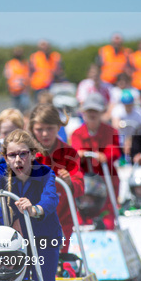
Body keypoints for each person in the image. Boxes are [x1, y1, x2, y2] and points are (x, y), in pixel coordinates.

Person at [0, 130, 63, 281]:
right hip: (13, 241)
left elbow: (51, 199)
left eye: (23, 154)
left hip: (44, 238)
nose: (18, 160)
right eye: (12, 155)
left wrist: (34, 209)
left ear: (32, 154)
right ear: (5, 158)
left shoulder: (44, 172)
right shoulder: (1, 172)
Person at [28, 104, 85, 246]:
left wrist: (69, 181)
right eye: (39, 129)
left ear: (59, 127)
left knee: (58, 262)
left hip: (62, 219)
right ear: (32, 129)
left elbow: (80, 186)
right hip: (33, 218)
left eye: (50, 128)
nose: (45, 134)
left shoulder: (69, 153)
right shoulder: (27, 153)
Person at [70, 93, 121, 229]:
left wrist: (105, 156)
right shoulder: (77, 133)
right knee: (83, 208)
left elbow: (115, 150)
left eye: (95, 111)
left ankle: (107, 229)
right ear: (83, 113)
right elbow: (75, 150)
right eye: (89, 111)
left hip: (106, 178)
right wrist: (80, 154)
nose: (92, 114)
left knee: (107, 213)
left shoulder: (111, 131)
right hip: (86, 181)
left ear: (102, 112)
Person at [111, 90, 141, 162]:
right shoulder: (118, 110)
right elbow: (115, 125)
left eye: (130, 104)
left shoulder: (139, 112)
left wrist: (130, 140)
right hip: (121, 139)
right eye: (126, 105)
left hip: (134, 139)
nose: (128, 107)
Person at [4, 47, 31, 112]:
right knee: (15, 109)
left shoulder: (25, 63)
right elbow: (7, 76)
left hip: (23, 90)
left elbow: (27, 76)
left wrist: (28, 87)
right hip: (13, 90)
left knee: (25, 108)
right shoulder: (10, 63)